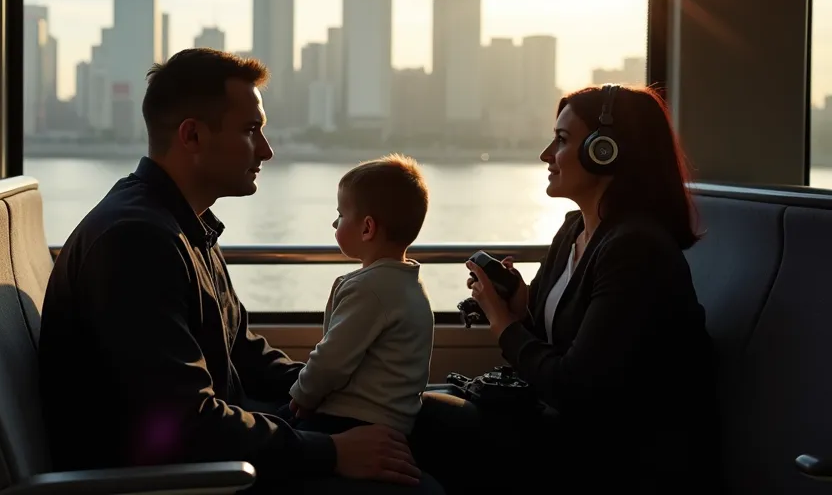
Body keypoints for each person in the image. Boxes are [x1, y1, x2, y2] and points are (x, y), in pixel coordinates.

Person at [37, 48, 443, 494]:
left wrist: (328, 395)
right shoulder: (135, 243)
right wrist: (333, 451)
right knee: (419, 487)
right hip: (177, 479)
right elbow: (186, 425)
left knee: (444, 425)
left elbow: (239, 350)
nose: (267, 150)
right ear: (191, 136)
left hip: (216, 446)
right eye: (251, 131)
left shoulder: (184, 225)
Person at [411, 84, 722, 494]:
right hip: (564, 429)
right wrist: (520, 305)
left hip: (614, 458)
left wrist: (505, 325)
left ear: (605, 150)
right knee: (402, 408)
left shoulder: (636, 250)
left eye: (560, 140)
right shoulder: (574, 230)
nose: (546, 155)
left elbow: (574, 385)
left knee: (409, 421)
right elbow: (555, 336)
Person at [284, 155, 434, 442]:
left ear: (367, 228)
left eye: (340, 215)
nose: (334, 222)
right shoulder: (408, 284)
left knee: (273, 433)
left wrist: (302, 395)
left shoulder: (369, 290)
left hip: (350, 419)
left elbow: (332, 361)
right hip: (393, 419)